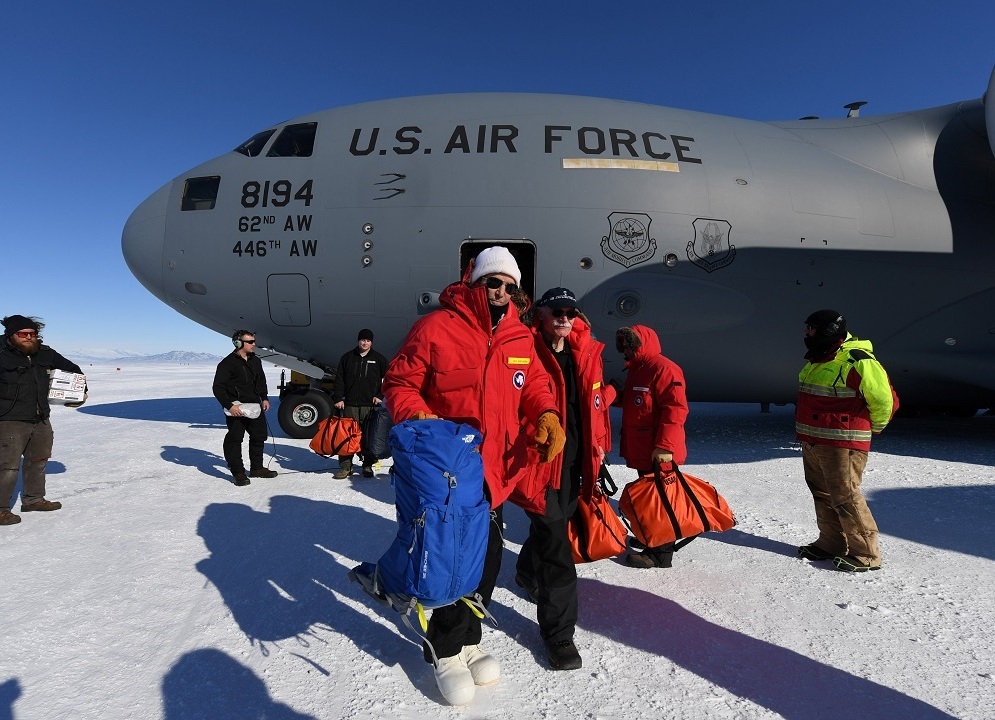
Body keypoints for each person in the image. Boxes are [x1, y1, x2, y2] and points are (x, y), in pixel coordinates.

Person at [382, 245, 565, 706]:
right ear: (474, 281)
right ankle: (443, 649)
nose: (501, 291)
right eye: (492, 282)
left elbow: (537, 384)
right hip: (446, 469)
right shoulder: (435, 328)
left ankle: (469, 638)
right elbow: (399, 383)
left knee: (485, 557)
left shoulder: (521, 337)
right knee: (443, 559)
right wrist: (421, 418)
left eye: (509, 284)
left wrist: (545, 412)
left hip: (495, 470)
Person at [512, 287, 615, 671]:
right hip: (540, 465)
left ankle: (525, 572)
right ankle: (559, 636)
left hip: (575, 466)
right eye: (556, 310)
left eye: (571, 311)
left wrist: (600, 446)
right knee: (558, 551)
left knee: (553, 528)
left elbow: (595, 405)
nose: (564, 317)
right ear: (540, 314)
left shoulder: (585, 353)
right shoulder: (524, 350)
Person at [795, 309, 898, 573]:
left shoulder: (857, 359)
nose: (807, 333)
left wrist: (871, 430)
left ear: (828, 330)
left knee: (845, 495)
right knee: (822, 493)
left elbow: (883, 399)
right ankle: (830, 543)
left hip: (842, 443)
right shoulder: (818, 358)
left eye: (812, 328)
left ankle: (866, 553)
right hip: (814, 440)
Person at [614, 324, 689, 569]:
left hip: (659, 452)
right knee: (650, 500)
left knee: (660, 503)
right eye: (623, 344)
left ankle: (659, 554)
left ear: (641, 343)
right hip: (644, 449)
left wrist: (665, 446)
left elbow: (675, 410)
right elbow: (637, 404)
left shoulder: (664, 368)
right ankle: (652, 538)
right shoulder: (639, 369)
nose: (625, 349)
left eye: (629, 344)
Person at [0, 314, 86, 525]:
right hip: (9, 419)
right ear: (11, 335)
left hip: (40, 418)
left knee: (38, 460)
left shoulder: (44, 353)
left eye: (33, 333)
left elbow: (74, 371)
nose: (29, 337)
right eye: (23, 334)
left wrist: (79, 392)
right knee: (7, 466)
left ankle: (33, 500)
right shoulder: (2, 354)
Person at [212, 330, 277, 486]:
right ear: (238, 343)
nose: (254, 344)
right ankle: (238, 472)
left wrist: (265, 397)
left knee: (259, 435)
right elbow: (218, 388)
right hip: (237, 407)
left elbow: (261, 381)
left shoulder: (255, 361)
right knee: (235, 439)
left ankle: (256, 468)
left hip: (254, 405)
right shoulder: (227, 363)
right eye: (250, 342)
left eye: (254, 341)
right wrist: (229, 406)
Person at [331, 328, 388, 479]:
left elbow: (388, 380)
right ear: (358, 341)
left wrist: (379, 395)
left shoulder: (379, 359)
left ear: (371, 342)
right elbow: (339, 380)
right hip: (350, 404)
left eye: (368, 340)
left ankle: (367, 465)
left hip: (369, 405)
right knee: (347, 436)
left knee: (369, 436)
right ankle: (345, 467)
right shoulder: (347, 358)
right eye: (363, 340)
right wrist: (338, 398)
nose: (365, 343)